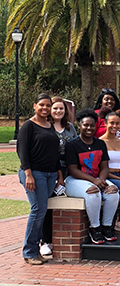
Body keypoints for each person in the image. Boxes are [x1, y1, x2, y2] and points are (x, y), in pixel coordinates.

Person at [16, 94, 61, 265]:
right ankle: (29, 252)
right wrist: (28, 174)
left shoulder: (50, 126)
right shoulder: (28, 125)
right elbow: (22, 152)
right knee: (38, 210)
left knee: (41, 211)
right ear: (35, 105)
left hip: (50, 174)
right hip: (34, 173)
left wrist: (59, 176)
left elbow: (55, 154)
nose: (45, 108)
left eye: (48, 105)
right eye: (41, 105)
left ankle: (35, 249)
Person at [65, 109, 119, 245]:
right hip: (76, 180)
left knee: (113, 191)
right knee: (93, 192)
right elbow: (72, 170)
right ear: (79, 126)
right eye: (86, 125)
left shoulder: (100, 144)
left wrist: (101, 179)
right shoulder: (72, 145)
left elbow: (105, 166)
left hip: (96, 178)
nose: (89, 128)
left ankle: (107, 226)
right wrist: (94, 181)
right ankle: (95, 228)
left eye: (92, 125)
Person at [40, 96, 78, 257]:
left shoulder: (70, 128)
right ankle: (44, 241)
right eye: (55, 108)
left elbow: (76, 148)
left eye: (61, 108)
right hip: (49, 171)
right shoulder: (45, 127)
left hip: (69, 170)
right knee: (46, 206)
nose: (58, 111)